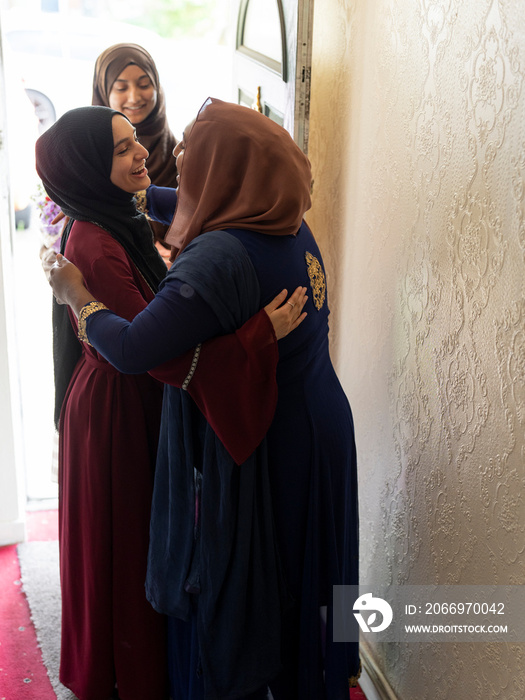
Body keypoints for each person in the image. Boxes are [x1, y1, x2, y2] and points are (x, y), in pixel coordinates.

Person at [47, 98, 360, 700]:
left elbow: (136, 348)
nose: (174, 158)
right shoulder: (280, 212)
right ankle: (326, 672)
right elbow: (167, 202)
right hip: (324, 415)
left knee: (277, 579)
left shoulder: (217, 257)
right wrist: (132, 197)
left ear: (224, 168)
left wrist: (78, 299)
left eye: (192, 150)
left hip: (280, 431)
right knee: (319, 566)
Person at [92, 43, 178, 255]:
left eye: (144, 84)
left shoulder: (182, 155)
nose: (134, 97)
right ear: (104, 92)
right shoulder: (88, 160)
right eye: (121, 88)